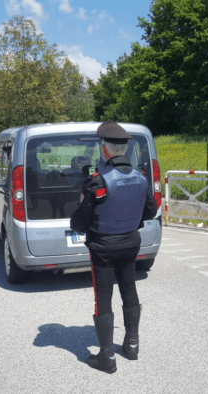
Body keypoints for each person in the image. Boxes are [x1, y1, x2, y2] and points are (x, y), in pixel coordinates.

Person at [70, 121, 158, 374]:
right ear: (126, 150)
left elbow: (79, 221)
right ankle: (132, 346)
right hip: (131, 242)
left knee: (103, 297)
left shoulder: (98, 181)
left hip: (103, 247)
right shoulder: (140, 178)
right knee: (129, 289)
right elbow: (151, 210)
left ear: (105, 150)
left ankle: (107, 358)